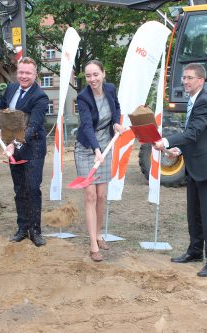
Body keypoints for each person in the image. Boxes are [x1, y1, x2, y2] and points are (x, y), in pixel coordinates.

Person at [154, 63, 207, 277]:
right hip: (195, 165)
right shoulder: (193, 101)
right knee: (193, 213)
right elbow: (195, 137)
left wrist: (165, 141)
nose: (184, 81)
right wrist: (177, 149)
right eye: (183, 77)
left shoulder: (204, 102)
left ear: (201, 81)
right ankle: (195, 252)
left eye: (189, 78)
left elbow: (193, 133)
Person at [0, 57, 48, 247]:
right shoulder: (11, 89)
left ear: (35, 75)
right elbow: (1, 110)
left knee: (32, 189)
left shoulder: (40, 96)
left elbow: (32, 126)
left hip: (33, 148)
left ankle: (35, 231)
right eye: (21, 72)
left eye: (28, 73)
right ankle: (22, 228)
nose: (23, 76)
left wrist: (15, 143)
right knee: (19, 189)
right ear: (17, 72)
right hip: (12, 148)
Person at [75, 60, 124, 262]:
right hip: (87, 148)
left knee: (102, 195)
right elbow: (86, 126)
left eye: (96, 74)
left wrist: (116, 124)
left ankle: (98, 233)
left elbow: (117, 108)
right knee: (90, 196)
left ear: (103, 74)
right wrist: (96, 149)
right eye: (88, 76)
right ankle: (93, 245)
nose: (92, 79)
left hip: (106, 146)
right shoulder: (83, 97)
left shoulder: (110, 89)